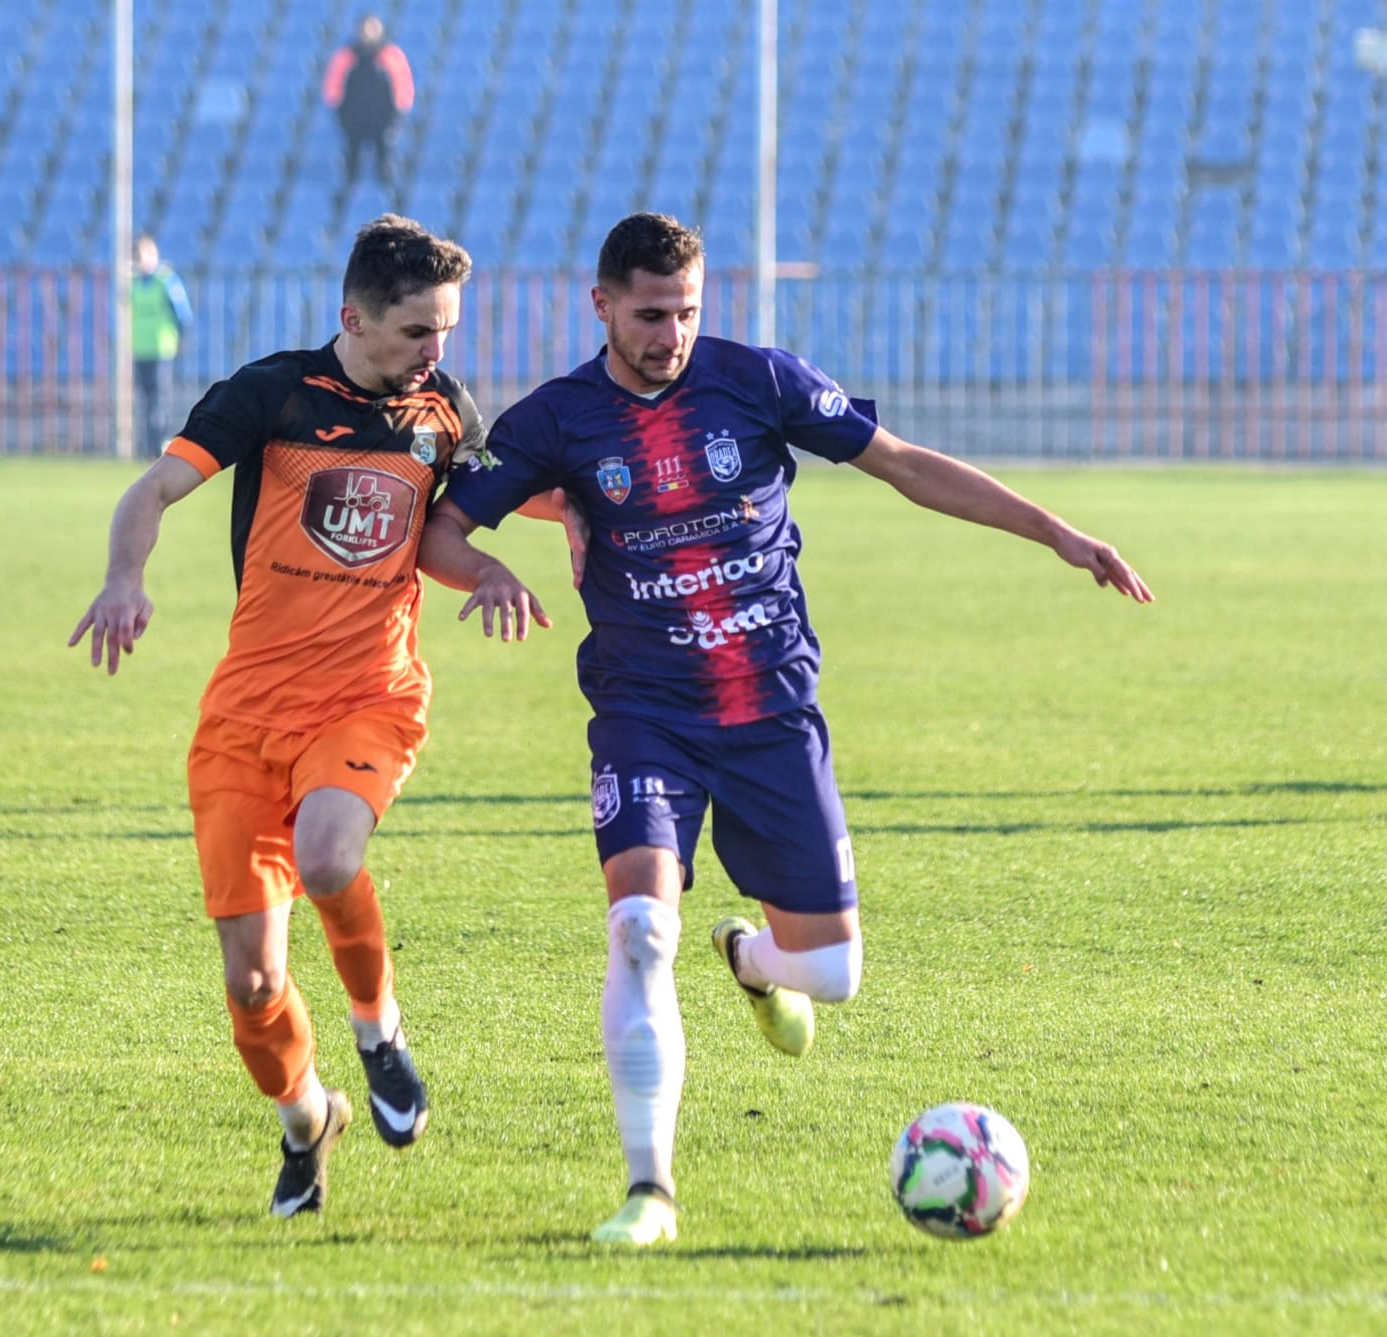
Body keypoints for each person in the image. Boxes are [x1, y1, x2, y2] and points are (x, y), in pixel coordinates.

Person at [420, 212, 1153, 1247]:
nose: (671, 334)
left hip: (770, 710)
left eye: (685, 311)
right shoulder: (557, 418)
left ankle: (756, 960)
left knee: (833, 976)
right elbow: (442, 523)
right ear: (601, 306)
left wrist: (1057, 532)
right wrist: (495, 563)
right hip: (645, 711)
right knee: (639, 929)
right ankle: (649, 1189)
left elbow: (902, 463)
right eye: (649, 314)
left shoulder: (756, 380)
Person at [71, 215, 496, 1218]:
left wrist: (501, 562)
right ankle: (308, 1119)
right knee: (254, 982)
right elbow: (153, 488)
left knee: (329, 856)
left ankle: (377, 1028)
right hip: (245, 715)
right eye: (416, 331)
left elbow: (448, 530)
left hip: (368, 693)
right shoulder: (271, 394)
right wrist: (123, 578)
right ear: (354, 318)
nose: (435, 350)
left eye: (445, 329)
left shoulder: (444, 410)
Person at [321, 15, 414, 199]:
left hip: (383, 119)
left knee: (385, 162)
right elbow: (333, 88)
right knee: (352, 161)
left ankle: (388, 196)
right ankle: (348, 194)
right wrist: (341, 114)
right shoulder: (346, 56)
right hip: (354, 119)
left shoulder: (390, 55)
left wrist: (397, 115)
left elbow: (403, 86)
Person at [130, 234, 193, 458]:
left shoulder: (165, 280)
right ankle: (147, 444)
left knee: (159, 399)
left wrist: (182, 338)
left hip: (161, 348)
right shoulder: (134, 283)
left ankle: (160, 442)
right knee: (145, 399)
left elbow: (183, 314)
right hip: (140, 348)